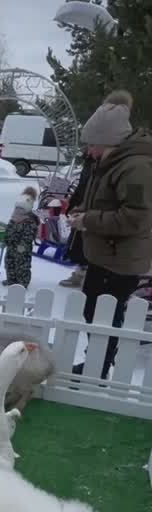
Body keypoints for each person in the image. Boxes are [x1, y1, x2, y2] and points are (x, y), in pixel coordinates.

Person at [68, 90, 152, 378]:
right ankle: (98, 364)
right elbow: (102, 200)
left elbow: (137, 217)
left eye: (94, 145)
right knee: (94, 309)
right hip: (107, 255)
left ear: (110, 141)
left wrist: (88, 221)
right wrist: (81, 211)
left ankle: (98, 368)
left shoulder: (135, 167)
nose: (89, 151)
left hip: (122, 259)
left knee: (104, 314)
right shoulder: (111, 163)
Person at [59, 154, 96, 288]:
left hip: (92, 211)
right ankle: (80, 273)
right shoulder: (90, 161)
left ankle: (85, 276)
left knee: (85, 245)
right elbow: (82, 185)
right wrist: (73, 203)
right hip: (81, 206)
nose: (89, 148)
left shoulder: (103, 162)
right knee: (77, 243)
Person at [2, 185, 39, 288]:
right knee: (9, 263)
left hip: (22, 249)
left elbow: (29, 235)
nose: (18, 211)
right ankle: (11, 279)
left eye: (21, 209)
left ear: (26, 210)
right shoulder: (13, 220)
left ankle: (23, 282)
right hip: (11, 247)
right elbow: (8, 231)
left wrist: (23, 245)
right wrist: (4, 241)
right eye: (16, 209)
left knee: (22, 266)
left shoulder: (29, 222)